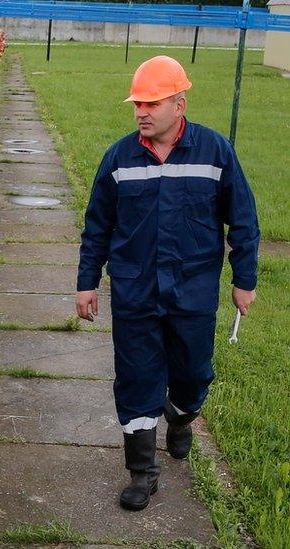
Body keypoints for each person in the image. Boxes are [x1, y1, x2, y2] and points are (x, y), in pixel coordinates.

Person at [75, 55, 260, 511]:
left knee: (193, 373)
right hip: (135, 291)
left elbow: (243, 220)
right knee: (137, 379)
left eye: (152, 102)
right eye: (137, 103)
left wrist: (245, 279)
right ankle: (142, 472)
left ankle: (180, 419)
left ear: (180, 103)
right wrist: (86, 282)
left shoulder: (215, 153)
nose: (141, 112)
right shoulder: (118, 159)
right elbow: (97, 226)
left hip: (192, 292)